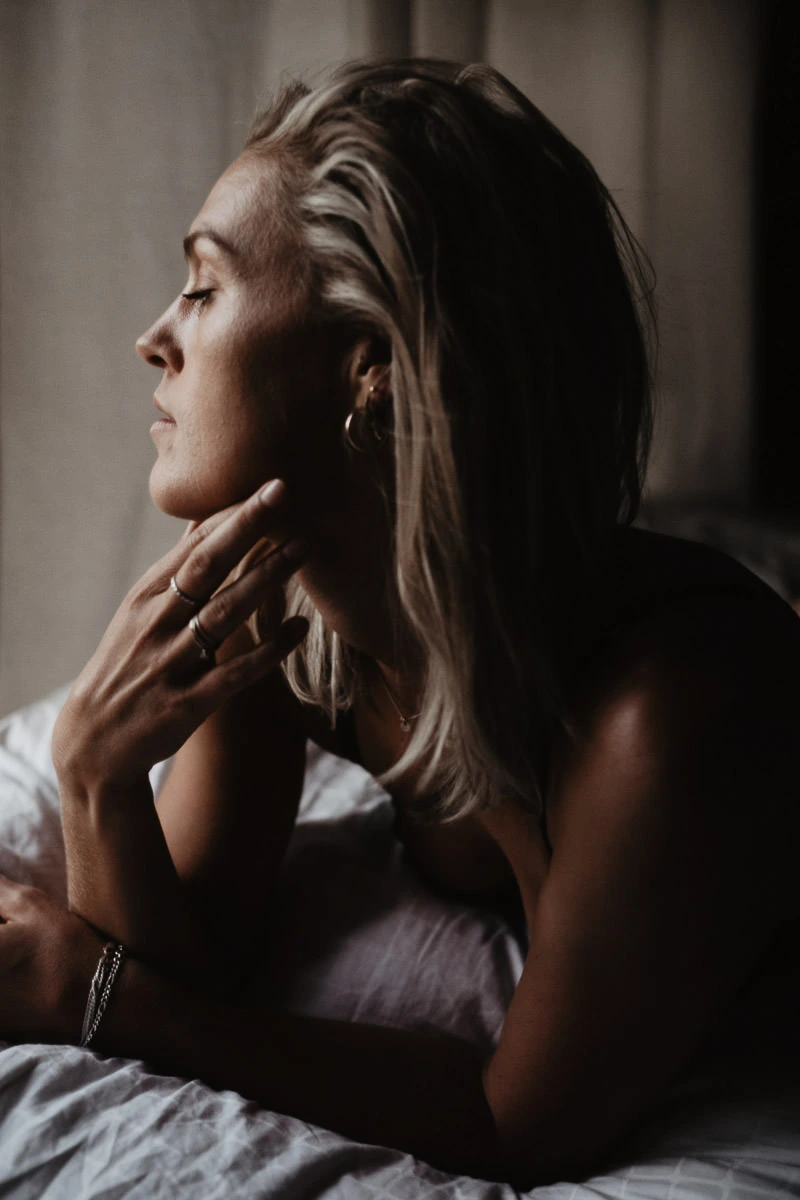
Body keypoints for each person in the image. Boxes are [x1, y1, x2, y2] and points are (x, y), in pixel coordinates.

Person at [0, 58, 798, 1188]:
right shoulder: (289, 601)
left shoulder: (660, 722)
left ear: (369, 362)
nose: (153, 336)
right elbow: (199, 954)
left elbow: (516, 1124)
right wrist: (94, 776)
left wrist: (98, 997)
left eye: (203, 288)